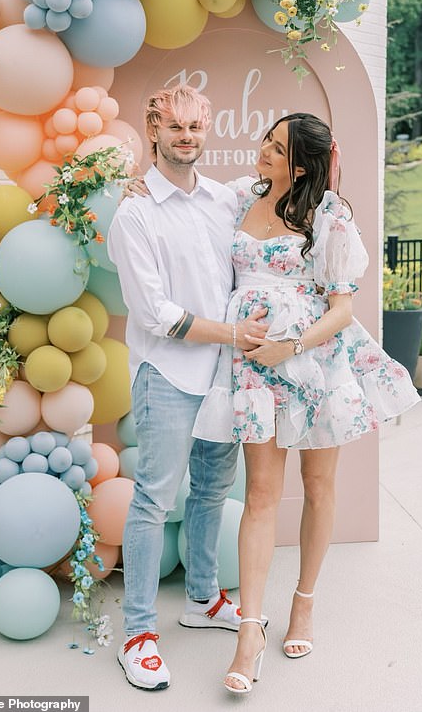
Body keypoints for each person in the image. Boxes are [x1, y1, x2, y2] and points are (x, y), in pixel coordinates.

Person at [188, 112, 420, 694]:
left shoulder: (330, 216)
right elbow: (188, 196)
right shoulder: (244, 195)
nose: (261, 151)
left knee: (318, 487)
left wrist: (290, 346)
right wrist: (143, 185)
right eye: (265, 139)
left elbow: (343, 309)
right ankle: (249, 632)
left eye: (275, 146)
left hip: (314, 363)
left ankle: (305, 603)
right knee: (261, 495)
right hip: (251, 366)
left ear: (300, 163)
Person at [106, 84, 269, 692]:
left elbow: (282, 195)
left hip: (222, 378)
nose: (187, 138)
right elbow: (156, 315)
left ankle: (202, 600)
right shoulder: (136, 213)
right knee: (153, 500)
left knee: (210, 493)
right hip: (169, 376)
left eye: (197, 128)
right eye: (175, 127)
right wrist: (233, 333)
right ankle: (138, 635)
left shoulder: (223, 201)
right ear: (153, 130)